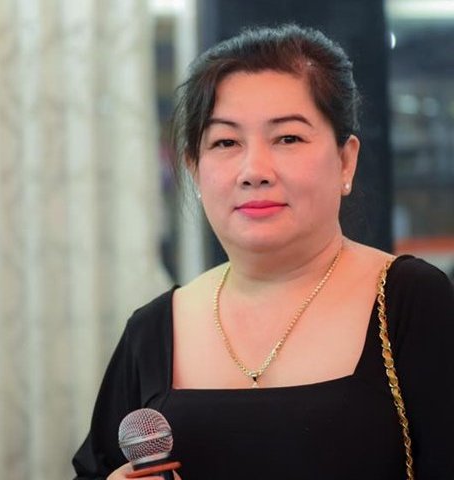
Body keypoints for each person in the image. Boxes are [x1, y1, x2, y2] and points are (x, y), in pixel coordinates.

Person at [72, 24, 454, 479]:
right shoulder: (153, 329)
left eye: (287, 138)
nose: (254, 170)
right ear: (194, 169)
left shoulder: (411, 301)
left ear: (345, 160)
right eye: (225, 142)